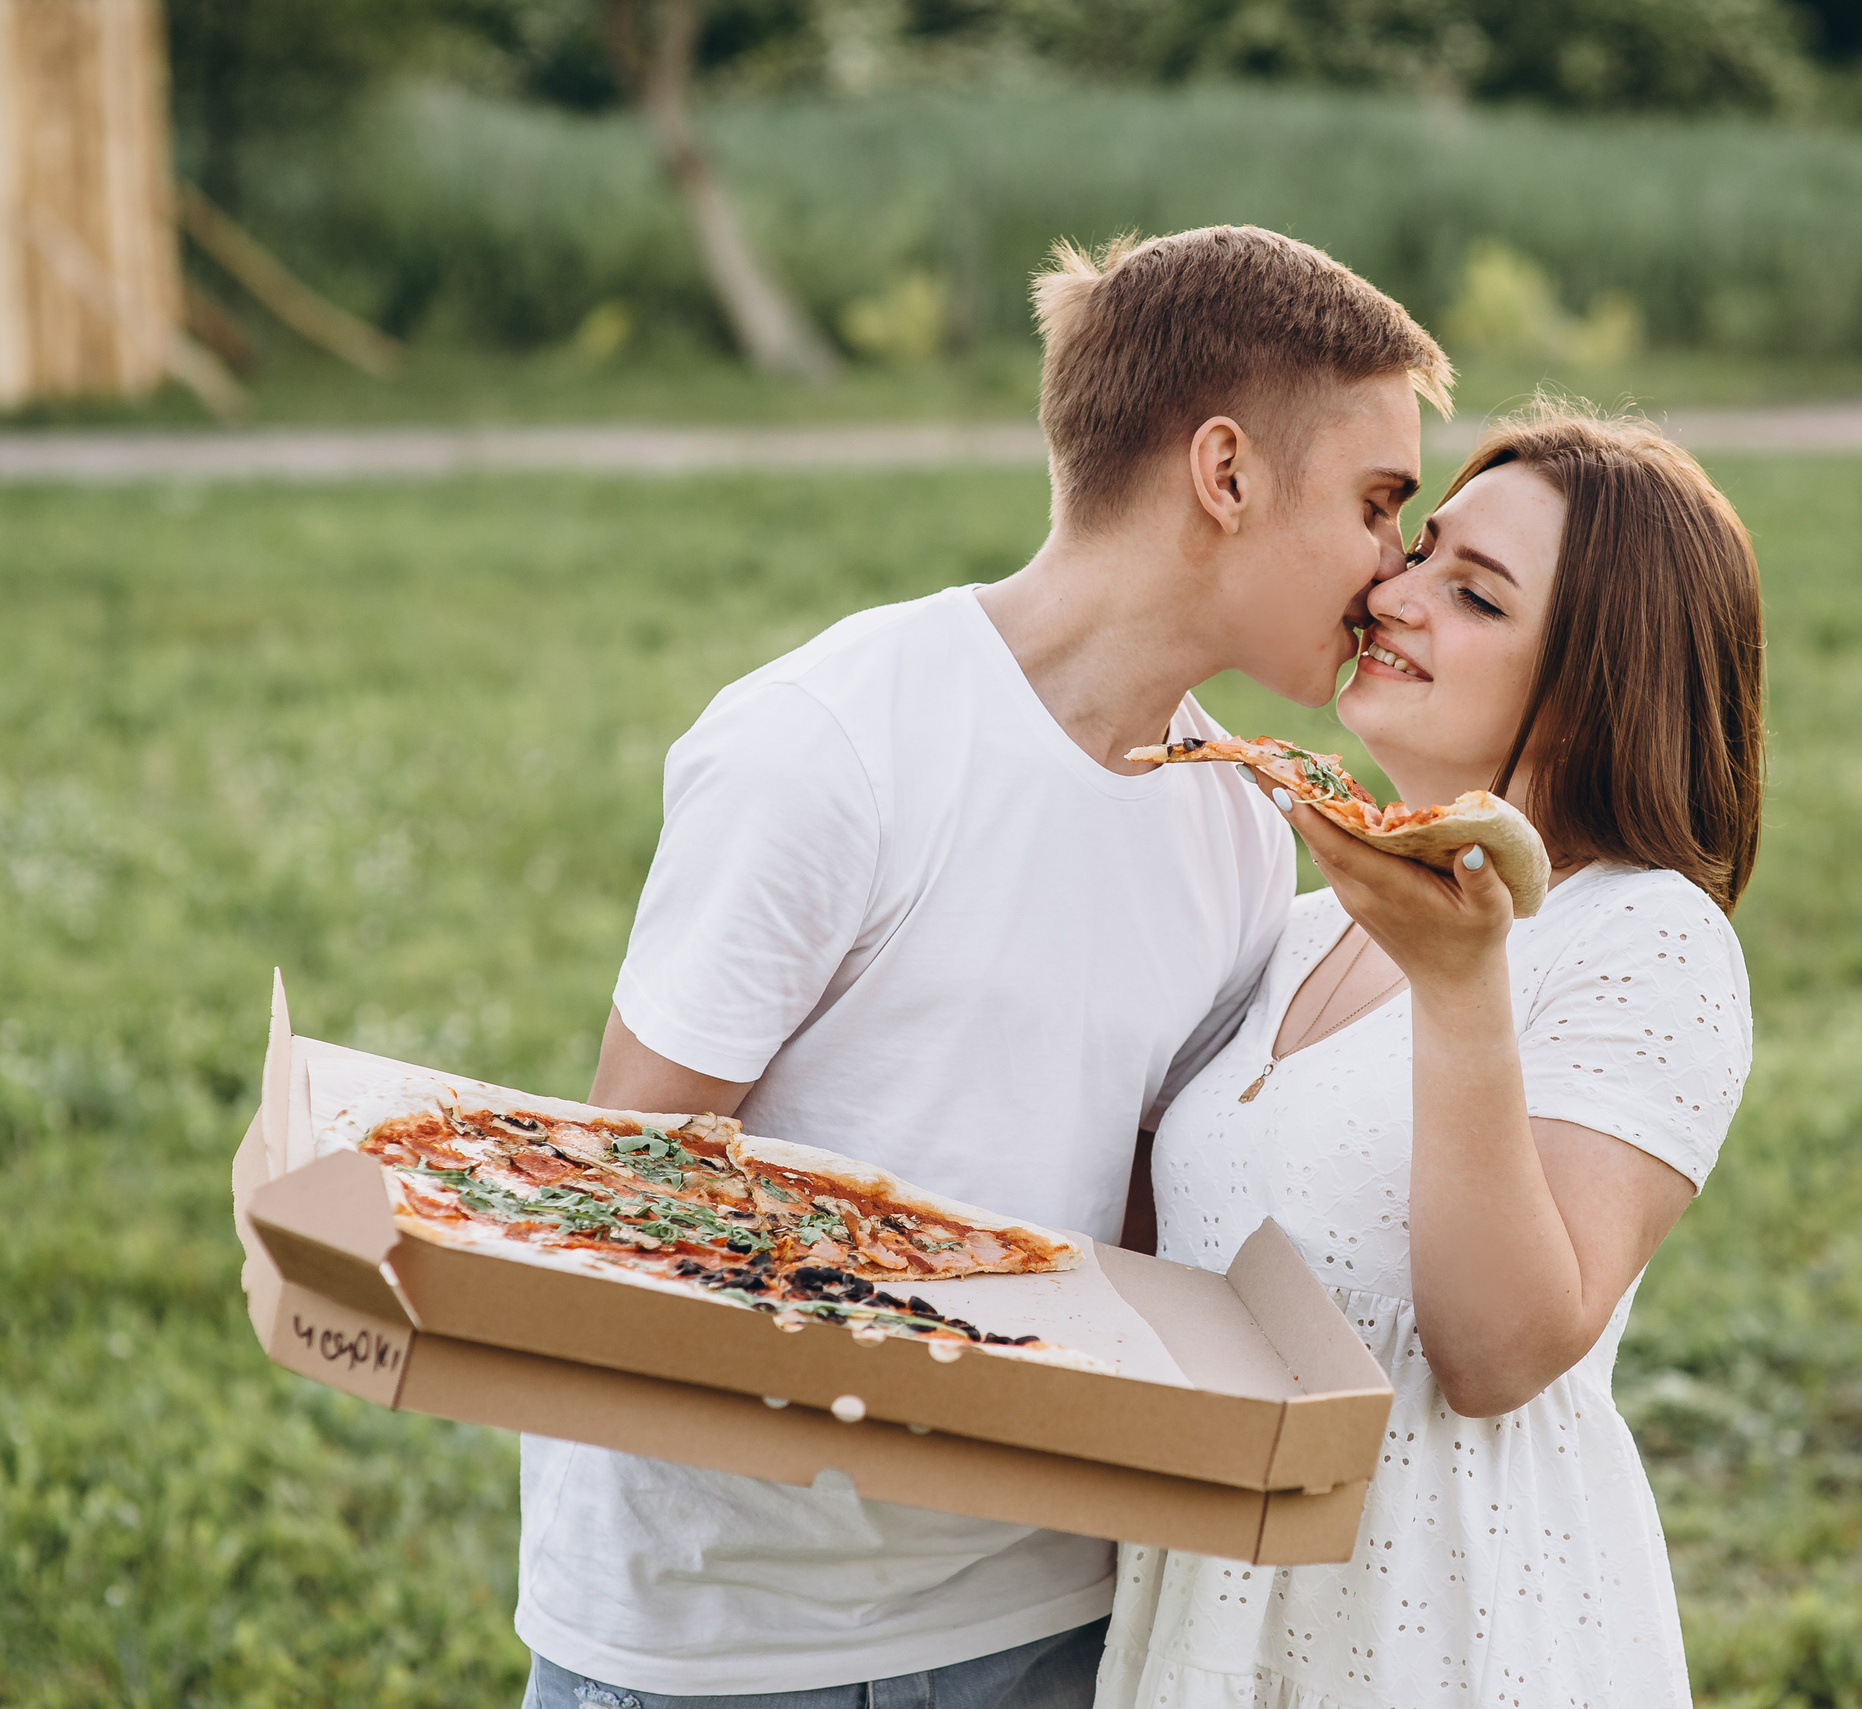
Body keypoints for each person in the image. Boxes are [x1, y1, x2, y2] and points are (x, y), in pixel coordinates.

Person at [517, 226, 1452, 1709]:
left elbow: (1142, 1243)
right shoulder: (834, 744)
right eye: (1378, 503)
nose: (1397, 569)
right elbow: (630, 1189)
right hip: (731, 1635)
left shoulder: (1231, 822)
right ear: (1226, 473)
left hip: (1043, 1621)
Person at [1098, 406, 1766, 1709]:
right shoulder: (1297, 928)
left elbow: (1499, 1350)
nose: (1391, 593)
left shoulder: (1642, 936)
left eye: (1472, 593)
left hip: (1449, 1634)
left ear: (1593, 686)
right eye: (1420, 550)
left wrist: (1463, 989)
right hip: (1211, 1631)